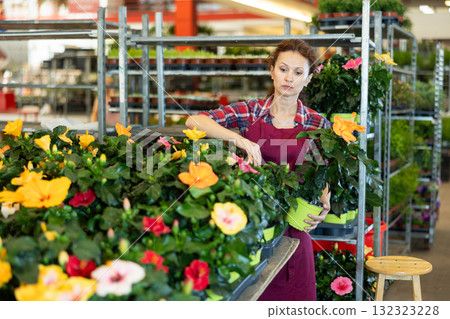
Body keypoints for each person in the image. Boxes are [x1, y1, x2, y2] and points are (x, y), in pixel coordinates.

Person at [185, 39, 331, 301]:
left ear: (308, 79)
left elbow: (324, 169)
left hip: (295, 227)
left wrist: (326, 199)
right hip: (251, 225)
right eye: (284, 69)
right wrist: (239, 139)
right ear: (272, 70)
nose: (289, 78)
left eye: (299, 73)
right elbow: (193, 120)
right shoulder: (251, 112)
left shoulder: (317, 122)